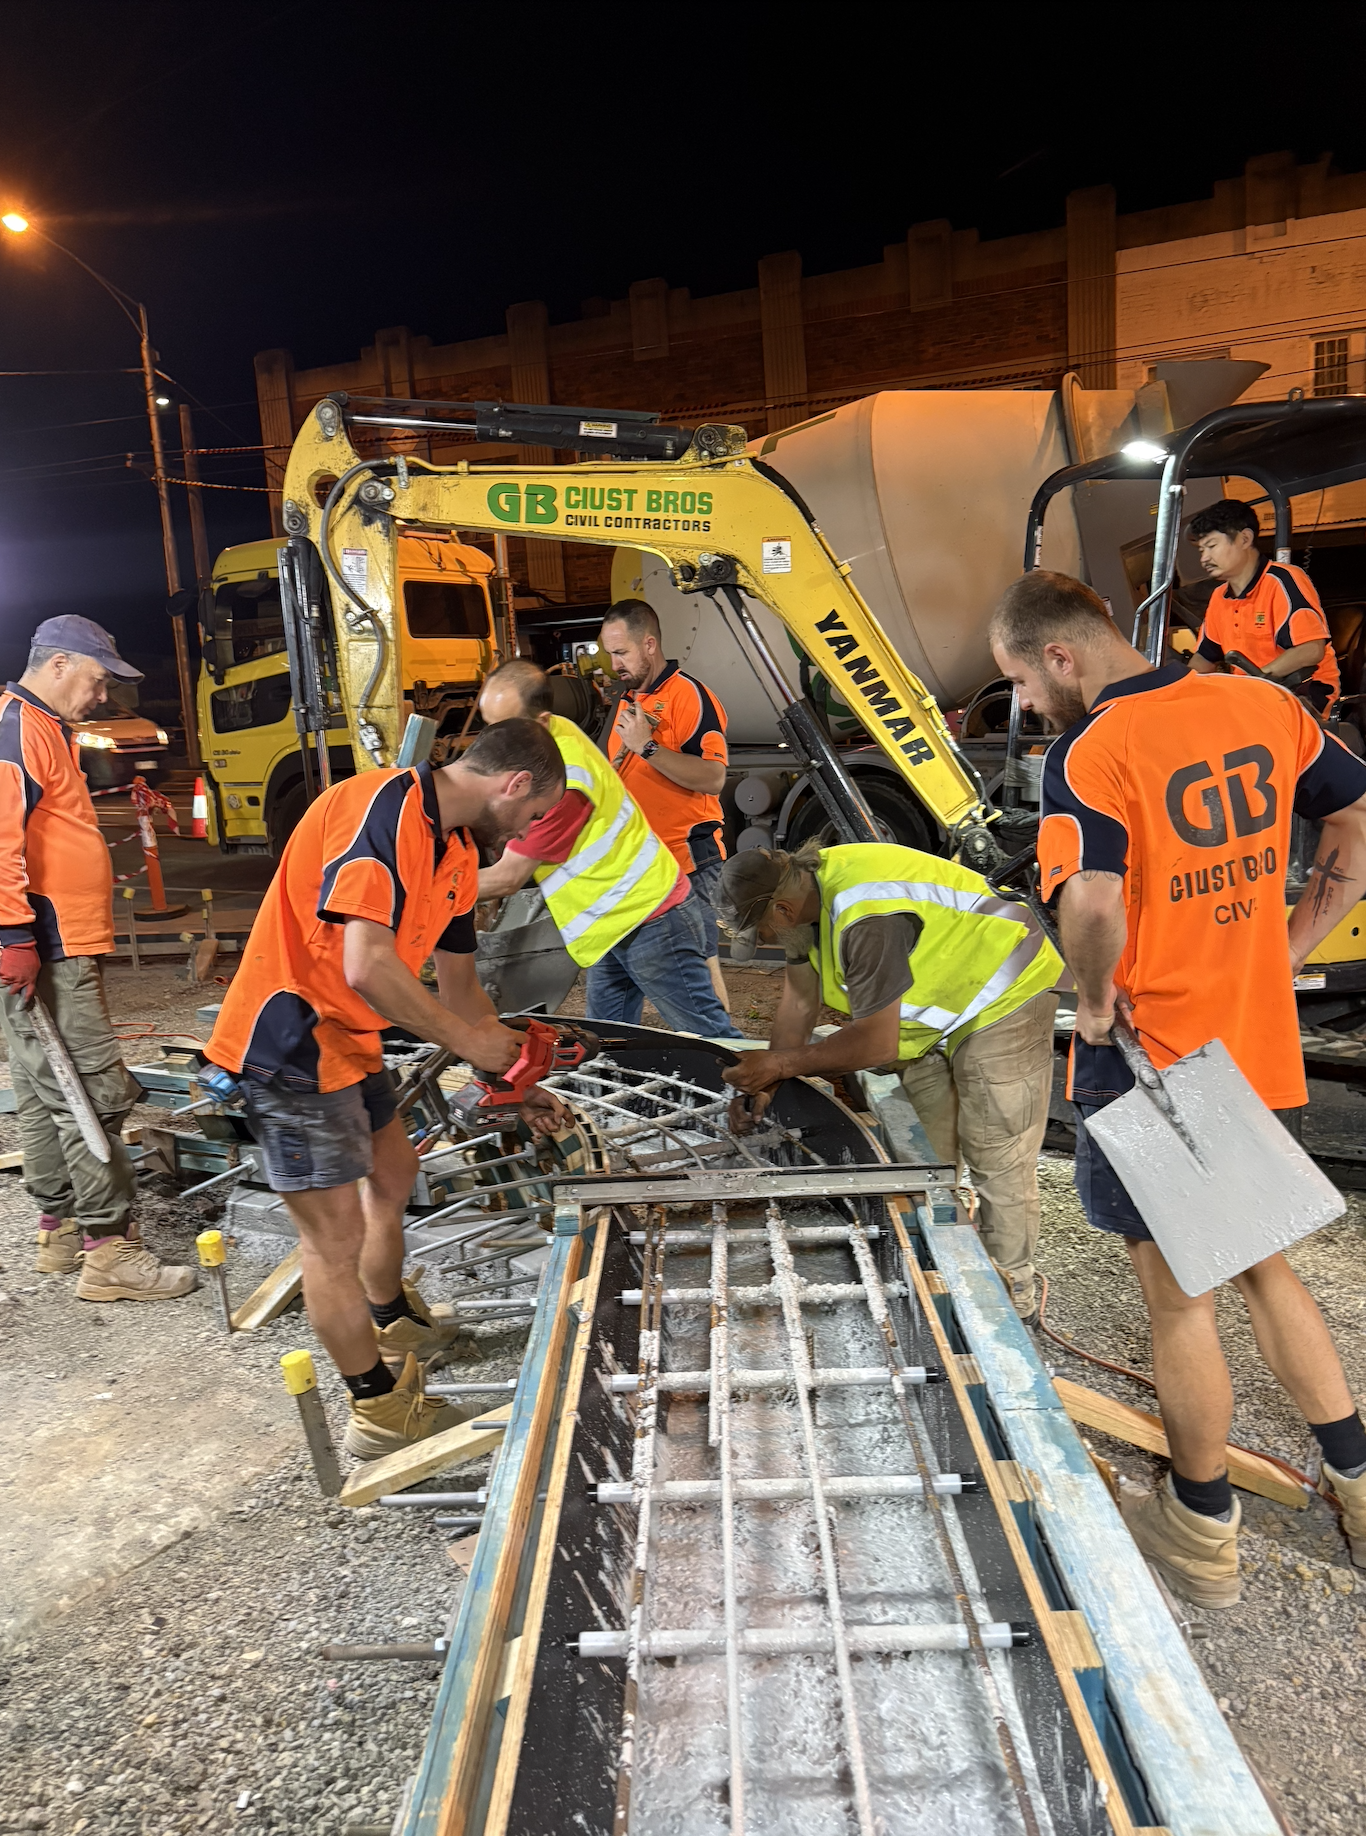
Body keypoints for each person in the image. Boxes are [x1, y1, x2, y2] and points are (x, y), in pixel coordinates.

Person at [991, 568, 1366, 1604]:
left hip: (1155, 1053)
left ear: (1060, 655)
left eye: (1020, 681)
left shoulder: (1091, 751)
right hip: (1252, 1039)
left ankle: (1201, 1525)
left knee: (1180, 1301)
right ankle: (1356, 1479)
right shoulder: (1262, 703)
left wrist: (1093, 1001)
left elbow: (1092, 899)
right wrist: (1290, 947)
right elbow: (1352, 819)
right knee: (1263, 1265)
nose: (1023, 703)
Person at [205, 719, 569, 1461]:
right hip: (290, 1042)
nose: (525, 833)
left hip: (349, 1037)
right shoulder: (380, 809)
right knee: (332, 1240)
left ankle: (390, 1317)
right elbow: (367, 965)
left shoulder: (457, 852)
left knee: (395, 1172)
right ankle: (376, 1408)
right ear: (514, 783)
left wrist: (513, 1080)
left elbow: (462, 990)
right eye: (532, 815)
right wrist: (467, 1043)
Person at [713, 838, 1063, 1320]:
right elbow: (799, 1001)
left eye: (766, 931)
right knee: (928, 1161)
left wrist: (781, 1065)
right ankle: (941, 1263)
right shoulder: (807, 895)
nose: (769, 940)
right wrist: (765, 1084)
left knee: (995, 1151)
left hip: (1003, 990)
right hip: (937, 1013)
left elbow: (876, 1044)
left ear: (783, 909)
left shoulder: (866, 918)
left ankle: (1009, 1303)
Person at [0, 617, 195, 1301]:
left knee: (43, 1090)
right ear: (58, 664)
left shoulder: (39, 726)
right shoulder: (18, 728)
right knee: (91, 1092)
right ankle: (110, 1250)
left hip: (48, 941)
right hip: (47, 946)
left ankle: (59, 1229)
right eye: (98, 679)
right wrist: (13, 935)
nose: (103, 696)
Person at [475, 660, 742, 1039]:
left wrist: (430, 889)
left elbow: (507, 878)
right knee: (606, 1040)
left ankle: (760, 1076)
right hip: (614, 923)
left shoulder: (562, 786)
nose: (492, 740)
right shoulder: (553, 734)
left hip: (648, 919)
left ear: (541, 721)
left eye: (505, 727)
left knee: (711, 1036)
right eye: (488, 725)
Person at [600, 599, 733, 1011]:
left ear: (649, 644)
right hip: (638, 867)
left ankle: (724, 1049)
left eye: (621, 652)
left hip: (687, 863)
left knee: (700, 984)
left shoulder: (689, 695)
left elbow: (713, 777)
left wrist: (648, 747)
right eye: (609, 654)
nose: (614, 664)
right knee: (615, 986)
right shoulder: (628, 700)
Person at [1187, 497, 1340, 712]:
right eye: (1201, 550)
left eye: (1211, 546)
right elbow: (1204, 658)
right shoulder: (1220, 597)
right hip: (1252, 697)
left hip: (1301, 695)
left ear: (1244, 539)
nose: (1204, 558)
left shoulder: (1282, 581)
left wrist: (1255, 684)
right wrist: (1179, 689)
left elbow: (1310, 649)